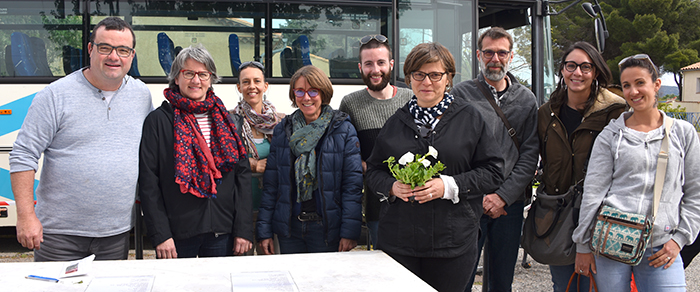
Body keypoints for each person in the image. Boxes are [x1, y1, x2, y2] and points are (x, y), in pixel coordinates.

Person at [9, 17, 153, 261]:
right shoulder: (55, 95)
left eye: (123, 50)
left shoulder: (141, 95)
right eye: (105, 48)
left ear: (131, 55)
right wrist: (25, 216)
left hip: (115, 234)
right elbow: (23, 155)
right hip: (58, 236)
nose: (114, 57)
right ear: (90, 49)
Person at [365, 42, 505, 292]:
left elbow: (494, 172)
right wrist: (392, 187)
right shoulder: (395, 122)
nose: (426, 81)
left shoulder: (470, 118)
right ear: (409, 78)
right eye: (418, 74)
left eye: (435, 74)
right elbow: (374, 171)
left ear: (448, 77)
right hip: (400, 241)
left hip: (452, 242)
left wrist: (448, 185)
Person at [572, 54, 700, 291]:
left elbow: (695, 192)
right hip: (610, 242)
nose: (633, 92)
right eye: (627, 85)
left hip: (661, 246)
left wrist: (679, 240)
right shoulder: (609, 136)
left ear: (656, 84)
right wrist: (583, 246)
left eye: (640, 83)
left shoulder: (683, 133)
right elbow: (593, 193)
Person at [139, 45, 253, 259]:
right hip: (177, 236)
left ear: (211, 79)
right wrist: (161, 234)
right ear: (176, 78)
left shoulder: (228, 121)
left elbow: (242, 178)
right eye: (188, 73)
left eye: (203, 74)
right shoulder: (158, 121)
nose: (196, 81)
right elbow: (149, 181)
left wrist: (244, 230)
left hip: (222, 231)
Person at [451, 27, 539, 292]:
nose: (495, 59)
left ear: (511, 56)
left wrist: (503, 196)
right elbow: (455, 151)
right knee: (460, 279)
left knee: (501, 282)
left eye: (502, 53)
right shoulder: (461, 95)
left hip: (509, 205)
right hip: (468, 203)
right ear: (479, 55)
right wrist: (479, 194)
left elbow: (529, 155)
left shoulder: (526, 99)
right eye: (488, 52)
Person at [537, 41, 627, 291]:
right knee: (564, 285)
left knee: (599, 284)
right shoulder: (546, 113)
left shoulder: (615, 111)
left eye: (585, 67)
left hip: (602, 215)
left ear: (596, 71)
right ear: (562, 70)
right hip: (560, 215)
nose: (577, 73)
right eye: (571, 65)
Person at [256, 65, 363, 254]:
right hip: (290, 231)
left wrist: (349, 232)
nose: (306, 97)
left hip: (327, 230)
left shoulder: (342, 130)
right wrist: (264, 231)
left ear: (324, 93)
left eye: (313, 91)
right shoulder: (283, 129)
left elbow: (351, 186)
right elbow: (271, 185)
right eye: (300, 91)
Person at [338, 34, 412, 250]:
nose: (375, 70)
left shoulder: (410, 99)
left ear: (391, 64)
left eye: (381, 63)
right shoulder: (351, 103)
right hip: (377, 206)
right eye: (368, 64)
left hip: (414, 205)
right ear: (360, 67)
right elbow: (346, 149)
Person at [229, 60, 284, 255]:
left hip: (272, 211)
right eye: (246, 82)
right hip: (239, 212)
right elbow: (224, 160)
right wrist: (253, 165)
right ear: (239, 87)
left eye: (257, 81)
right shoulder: (228, 121)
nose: (251, 86)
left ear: (265, 86)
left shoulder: (281, 122)